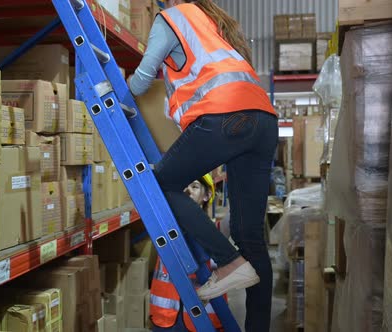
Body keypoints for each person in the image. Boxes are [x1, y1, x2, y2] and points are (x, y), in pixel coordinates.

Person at [127, 0, 278, 331]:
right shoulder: (213, 27)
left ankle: (227, 262)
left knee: (162, 184)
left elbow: (140, 81)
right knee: (249, 235)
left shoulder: (170, 19)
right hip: (264, 120)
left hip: (224, 115)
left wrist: (116, 92)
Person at [150, 174, 228, 332]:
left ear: (207, 195)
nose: (188, 191)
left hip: (202, 318)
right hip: (166, 317)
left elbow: (233, 220)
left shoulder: (215, 232)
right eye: (184, 187)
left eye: (195, 186)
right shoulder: (165, 227)